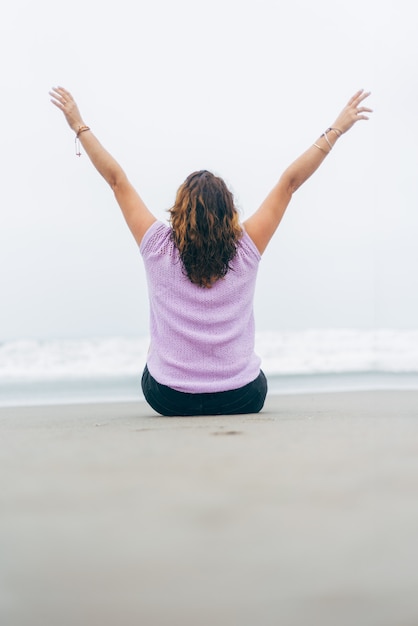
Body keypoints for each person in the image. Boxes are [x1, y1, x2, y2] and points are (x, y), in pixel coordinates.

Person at [50, 86, 372, 416]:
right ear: (229, 211)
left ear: (179, 210)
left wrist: (79, 124)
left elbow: (117, 180)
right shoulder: (246, 247)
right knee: (250, 375)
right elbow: (290, 183)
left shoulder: (158, 247)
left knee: (153, 362)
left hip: (168, 397)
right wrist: (336, 130)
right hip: (242, 396)